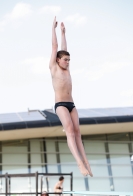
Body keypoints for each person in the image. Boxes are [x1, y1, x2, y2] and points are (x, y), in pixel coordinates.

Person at [49, 16, 93, 177]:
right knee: (70, 132)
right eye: (65, 60)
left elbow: (63, 48)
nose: (68, 62)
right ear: (58, 60)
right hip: (60, 104)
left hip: (72, 105)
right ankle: (79, 164)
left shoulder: (67, 69)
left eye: (69, 60)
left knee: (77, 132)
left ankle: (86, 163)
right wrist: (53, 29)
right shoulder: (54, 68)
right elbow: (55, 47)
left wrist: (63, 33)